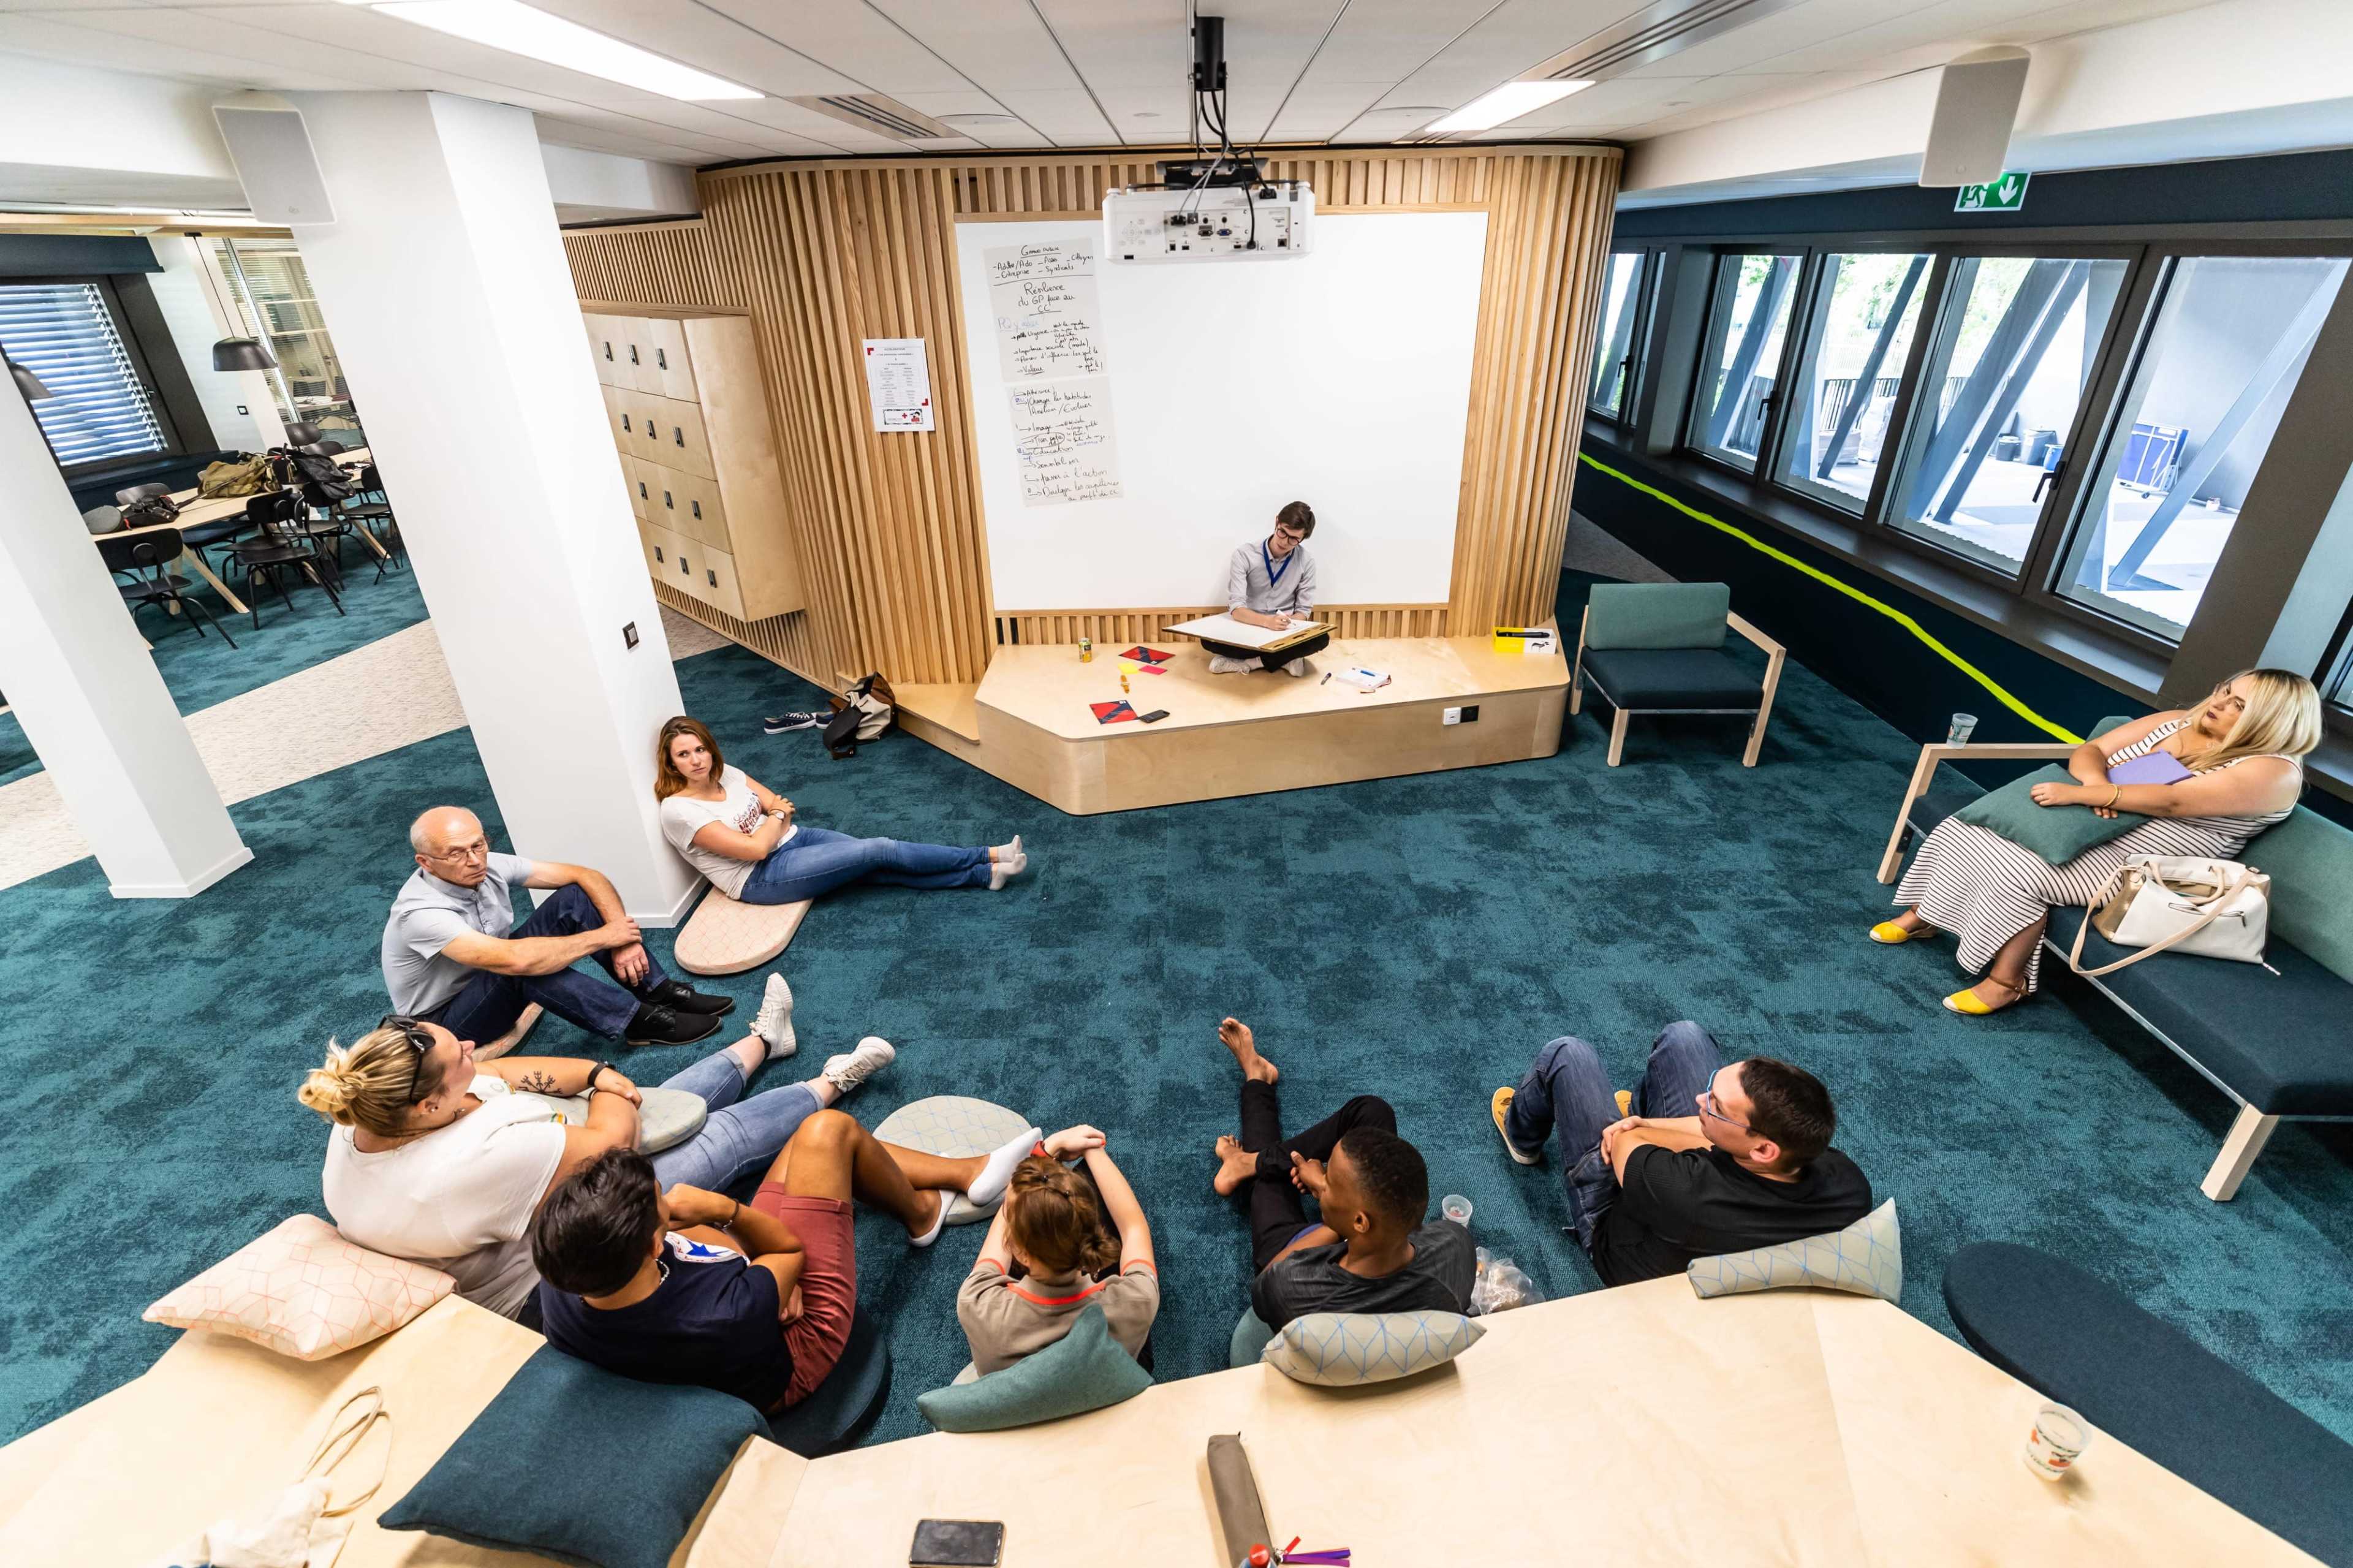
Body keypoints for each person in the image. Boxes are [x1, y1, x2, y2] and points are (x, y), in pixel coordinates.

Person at [298, 982, 895, 1324]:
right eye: (461, 1056)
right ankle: (831, 1084)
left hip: (534, 1178)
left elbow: (501, 1071)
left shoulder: (366, 1107)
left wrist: (595, 1073)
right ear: (430, 1104)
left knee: (662, 1101)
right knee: (707, 1135)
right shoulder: (469, 1163)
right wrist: (607, 1085)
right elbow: (616, 1141)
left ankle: (764, 1040)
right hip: (554, 1273)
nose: (474, 1048)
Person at [532, 1107, 1051, 1415]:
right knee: (828, 1130)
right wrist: (727, 1212)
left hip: (737, 1319)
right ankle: (924, 1211)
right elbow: (786, 1250)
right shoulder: (726, 1312)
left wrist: (761, 1278)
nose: (671, 1199)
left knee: (805, 1142)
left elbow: (696, 1259)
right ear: (652, 1246)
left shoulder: (564, 1273)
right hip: (795, 1348)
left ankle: (964, 1172)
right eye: (662, 1204)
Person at [1879, 669, 2320, 1013]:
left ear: (2270, 722)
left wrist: (2091, 795)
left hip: (2144, 865)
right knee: (1965, 829)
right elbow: (2092, 751)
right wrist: (2095, 783)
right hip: (2087, 822)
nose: (2219, 703)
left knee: (2025, 871)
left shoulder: (2274, 771)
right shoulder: (2177, 721)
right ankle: (1927, 914)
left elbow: (2173, 802)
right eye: (2225, 690)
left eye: (2238, 705)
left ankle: (2008, 981)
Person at [1490, 1021, 1871, 1288]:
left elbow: (1622, 1140)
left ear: (1763, 1150)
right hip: (1676, 1196)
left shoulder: (1687, 1191)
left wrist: (1640, 1127)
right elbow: (1679, 1137)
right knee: (1687, 1037)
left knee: (1568, 1054)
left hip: (1617, 1225)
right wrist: (1651, 1124)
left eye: (1716, 1105)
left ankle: (1521, 1136)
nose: (1700, 1100)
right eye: (1713, 1088)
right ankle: (1645, 1109)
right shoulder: (1848, 1184)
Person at [384, 806, 729, 1049]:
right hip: (445, 1023)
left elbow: (585, 876)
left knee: (574, 897)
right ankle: (638, 1022)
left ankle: (658, 990)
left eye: (478, 844)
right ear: (426, 863)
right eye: (456, 854)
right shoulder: (420, 913)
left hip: (490, 972)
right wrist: (604, 937)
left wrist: (621, 938)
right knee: (522, 968)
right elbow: (515, 960)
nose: (475, 860)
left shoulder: (485, 865)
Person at [1208, 1017, 1472, 1331]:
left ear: (1359, 1222)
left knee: (1267, 1182)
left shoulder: (1292, 1286)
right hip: (1370, 1236)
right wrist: (1336, 1198)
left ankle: (1256, 1084)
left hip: (1300, 1244)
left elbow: (1264, 1288)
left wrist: (1333, 1223)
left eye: (1328, 1181)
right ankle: (1251, 1160)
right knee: (1373, 1112)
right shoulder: (1457, 1245)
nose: (1320, 1178)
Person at [654, 716, 1028, 907]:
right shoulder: (680, 811)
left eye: (700, 750)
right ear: (671, 764)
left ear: (710, 749)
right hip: (758, 878)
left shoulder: (726, 773)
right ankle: (988, 854)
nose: (696, 760)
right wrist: (774, 821)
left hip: (794, 839)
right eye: (683, 755)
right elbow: (756, 850)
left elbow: (780, 803)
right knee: (880, 849)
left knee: (874, 867)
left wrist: (774, 822)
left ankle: (985, 876)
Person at [959, 1125, 1159, 1376]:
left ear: (1019, 1252)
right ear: (1094, 1235)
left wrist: (1047, 1149)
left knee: (1040, 1214)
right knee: (1087, 1178)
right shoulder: (1136, 1300)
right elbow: (1133, 1228)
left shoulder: (978, 1303)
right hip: (1107, 1382)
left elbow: (1008, 1216)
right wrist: (1092, 1148)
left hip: (1020, 1395)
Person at [1201, 502, 1328, 677]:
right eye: (1282, 532)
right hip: (1250, 625)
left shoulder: (1306, 561)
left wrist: (1288, 624)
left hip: (1284, 631)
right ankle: (1286, 659)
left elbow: (1303, 611)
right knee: (1208, 640)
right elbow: (1237, 609)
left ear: (1303, 538)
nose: (1285, 542)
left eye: (1294, 539)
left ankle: (1251, 663)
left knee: (1321, 639)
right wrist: (1267, 622)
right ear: (1277, 522)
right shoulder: (1244, 554)